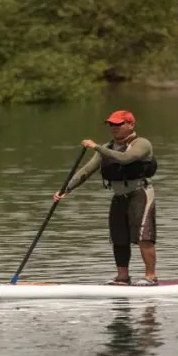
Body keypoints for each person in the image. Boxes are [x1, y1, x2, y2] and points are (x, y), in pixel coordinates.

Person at [53, 110, 158, 286]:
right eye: (111, 124)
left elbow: (126, 158)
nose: (114, 128)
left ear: (131, 125)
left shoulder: (142, 144)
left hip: (140, 193)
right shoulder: (106, 148)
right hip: (118, 196)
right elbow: (86, 171)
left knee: (144, 236)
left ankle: (151, 277)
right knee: (118, 237)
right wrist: (66, 189)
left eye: (118, 124)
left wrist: (96, 147)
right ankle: (122, 277)